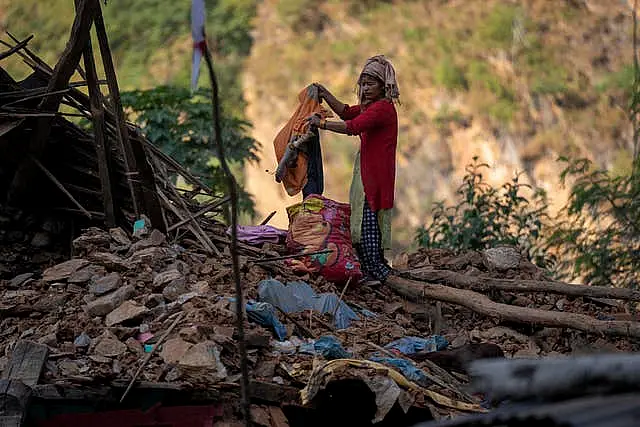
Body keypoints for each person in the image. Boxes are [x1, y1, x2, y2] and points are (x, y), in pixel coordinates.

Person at [307, 55, 400, 283]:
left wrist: (322, 124)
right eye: (363, 84)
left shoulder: (383, 109)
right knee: (365, 216)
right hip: (369, 169)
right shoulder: (373, 107)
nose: (366, 89)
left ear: (383, 86)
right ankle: (372, 269)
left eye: (371, 84)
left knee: (368, 219)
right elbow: (347, 112)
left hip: (375, 174)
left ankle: (376, 271)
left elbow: (353, 126)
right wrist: (326, 94)